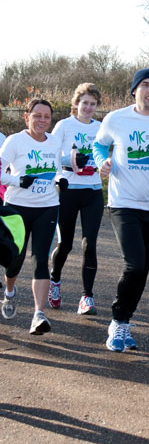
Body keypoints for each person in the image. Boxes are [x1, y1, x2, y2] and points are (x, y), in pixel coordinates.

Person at [93, 68, 149, 352]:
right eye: (145, 85)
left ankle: (124, 321)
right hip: (123, 204)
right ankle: (118, 321)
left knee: (142, 270)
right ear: (134, 90)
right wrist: (101, 161)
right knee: (134, 264)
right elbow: (99, 144)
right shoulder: (116, 119)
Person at [0, 99, 63, 333]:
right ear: (27, 117)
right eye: (37, 115)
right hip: (17, 208)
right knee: (15, 258)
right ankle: (9, 292)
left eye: (47, 116)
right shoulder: (15, 141)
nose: (42, 120)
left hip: (47, 207)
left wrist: (60, 179)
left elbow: (55, 169)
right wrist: (17, 180)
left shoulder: (55, 142)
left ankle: (38, 314)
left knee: (40, 260)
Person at [48, 83, 103, 315]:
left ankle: (87, 297)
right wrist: (68, 162)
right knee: (66, 244)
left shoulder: (101, 127)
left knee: (89, 244)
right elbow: (49, 154)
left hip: (92, 190)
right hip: (68, 190)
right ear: (76, 104)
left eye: (93, 104)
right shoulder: (64, 126)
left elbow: (106, 152)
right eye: (85, 103)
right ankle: (54, 280)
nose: (88, 107)